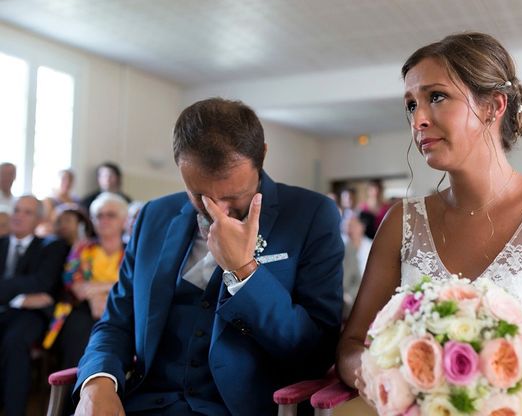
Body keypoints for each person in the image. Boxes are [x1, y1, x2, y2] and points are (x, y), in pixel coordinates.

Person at [337, 32, 522, 414]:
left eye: (436, 97)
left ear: (493, 106)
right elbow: (352, 347)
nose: (419, 119)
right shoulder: (402, 221)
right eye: (411, 105)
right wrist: (392, 379)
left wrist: (508, 408)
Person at [74, 97, 344, 415]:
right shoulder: (154, 216)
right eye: (201, 196)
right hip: (145, 404)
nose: (219, 211)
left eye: (233, 196)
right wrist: (97, 383)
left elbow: (315, 352)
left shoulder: (310, 215)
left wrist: (245, 271)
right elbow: (116, 324)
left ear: (262, 157)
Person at [0, 195, 68, 416]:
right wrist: (20, 295)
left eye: (27, 212)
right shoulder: (1, 244)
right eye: (17, 210)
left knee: (15, 342)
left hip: (32, 315)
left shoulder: (50, 247)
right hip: (10, 309)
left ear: (38, 219)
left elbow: (42, 282)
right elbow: (31, 284)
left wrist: (6, 290)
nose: (19, 215)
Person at [43, 193, 128, 368]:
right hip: (82, 307)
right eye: (99, 215)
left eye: (110, 215)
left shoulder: (134, 250)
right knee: (78, 329)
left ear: (124, 220)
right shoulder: (83, 247)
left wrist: (100, 292)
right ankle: (73, 392)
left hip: (121, 307)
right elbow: (75, 285)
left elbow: (133, 285)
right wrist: (96, 296)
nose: (104, 220)